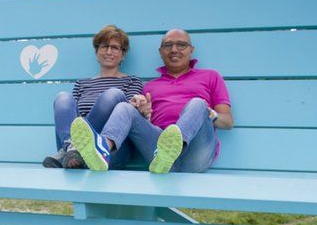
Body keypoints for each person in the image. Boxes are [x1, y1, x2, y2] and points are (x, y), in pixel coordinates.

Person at [70, 29, 234, 174]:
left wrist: (209, 113)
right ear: (161, 51)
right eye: (168, 45)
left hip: (196, 153)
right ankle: (103, 149)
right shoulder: (149, 87)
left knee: (198, 104)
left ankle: (173, 150)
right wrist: (144, 113)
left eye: (181, 45)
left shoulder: (210, 76)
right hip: (157, 154)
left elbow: (228, 122)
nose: (174, 49)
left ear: (191, 50)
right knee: (125, 108)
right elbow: (143, 126)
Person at [42, 24, 144, 169]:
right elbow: (71, 117)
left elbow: (128, 115)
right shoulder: (81, 84)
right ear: (97, 52)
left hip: (111, 150)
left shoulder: (132, 82)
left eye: (115, 48)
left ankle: (76, 150)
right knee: (63, 97)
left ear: (123, 54)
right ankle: (73, 150)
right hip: (72, 152)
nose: (109, 51)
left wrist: (138, 106)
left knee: (113, 95)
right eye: (104, 46)